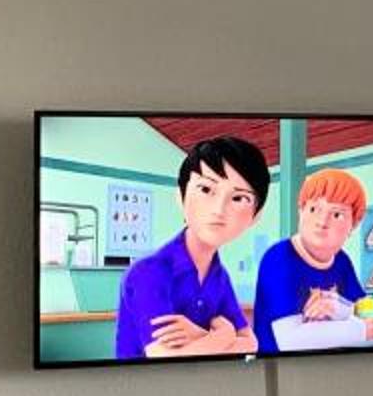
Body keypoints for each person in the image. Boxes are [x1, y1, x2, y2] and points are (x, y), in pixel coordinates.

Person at [110, 135, 270, 359]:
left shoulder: (219, 275)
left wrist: (199, 335)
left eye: (238, 198)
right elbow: (164, 357)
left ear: (256, 216)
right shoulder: (147, 272)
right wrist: (223, 335)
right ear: (181, 196)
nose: (218, 209)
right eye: (205, 189)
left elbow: (251, 343)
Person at [251, 168, 373, 353]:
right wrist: (357, 329)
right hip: (279, 367)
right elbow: (291, 341)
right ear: (300, 212)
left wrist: (335, 307)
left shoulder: (341, 260)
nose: (322, 222)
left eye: (337, 214)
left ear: (354, 225)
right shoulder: (279, 259)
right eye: (313, 209)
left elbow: (369, 318)